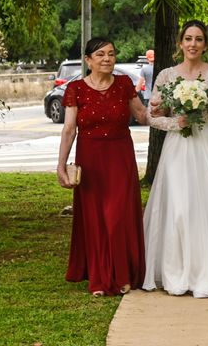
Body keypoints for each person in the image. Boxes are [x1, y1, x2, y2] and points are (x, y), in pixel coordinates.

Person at [143, 19, 208, 298]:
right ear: (180, 43)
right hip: (179, 147)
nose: (193, 44)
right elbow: (151, 116)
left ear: (205, 44)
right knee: (180, 207)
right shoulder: (167, 75)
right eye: (188, 39)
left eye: (198, 39)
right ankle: (179, 272)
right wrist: (175, 123)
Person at [56, 37, 148, 297]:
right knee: (96, 220)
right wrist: (61, 166)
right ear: (88, 60)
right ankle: (100, 279)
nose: (107, 59)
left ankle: (122, 275)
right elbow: (69, 129)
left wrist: (173, 114)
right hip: (90, 159)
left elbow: (142, 115)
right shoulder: (75, 89)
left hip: (120, 157)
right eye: (100, 55)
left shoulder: (124, 84)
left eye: (111, 54)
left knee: (117, 218)